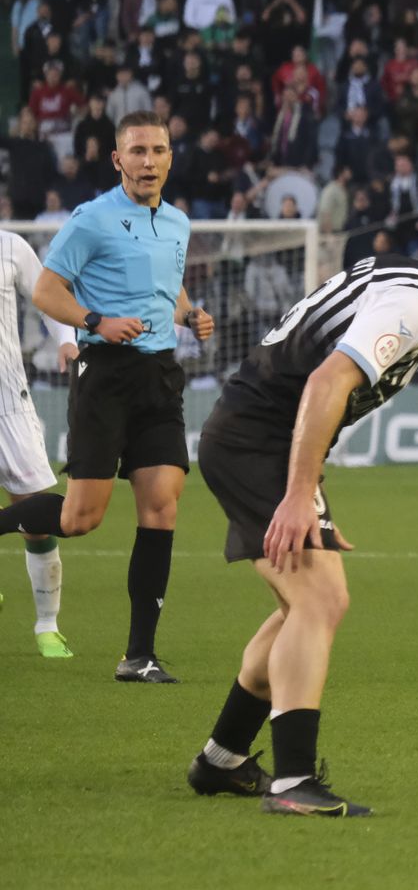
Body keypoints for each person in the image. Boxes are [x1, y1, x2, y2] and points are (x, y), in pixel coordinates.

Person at [184, 217, 418, 817]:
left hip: (261, 435)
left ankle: (222, 759)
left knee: (302, 604)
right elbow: (328, 378)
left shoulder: (407, 280)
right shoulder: (416, 304)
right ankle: (293, 782)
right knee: (319, 601)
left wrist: (308, 483)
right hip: (260, 440)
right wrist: (300, 493)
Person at [0, 111, 215, 683]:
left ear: (171, 158)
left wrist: (190, 313)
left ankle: (138, 655)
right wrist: (97, 319)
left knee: (163, 504)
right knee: (80, 518)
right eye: (137, 151)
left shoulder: (177, 222)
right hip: (105, 376)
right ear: (117, 159)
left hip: (160, 377)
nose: (149, 161)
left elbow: (166, 288)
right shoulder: (91, 219)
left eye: (159, 151)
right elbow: (47, 291)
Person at [0, 232, 79, 657]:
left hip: (9, 405)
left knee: (36, 517)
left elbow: (48, 297)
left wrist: (66, 339)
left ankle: (47, 625)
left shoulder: (10, 246)